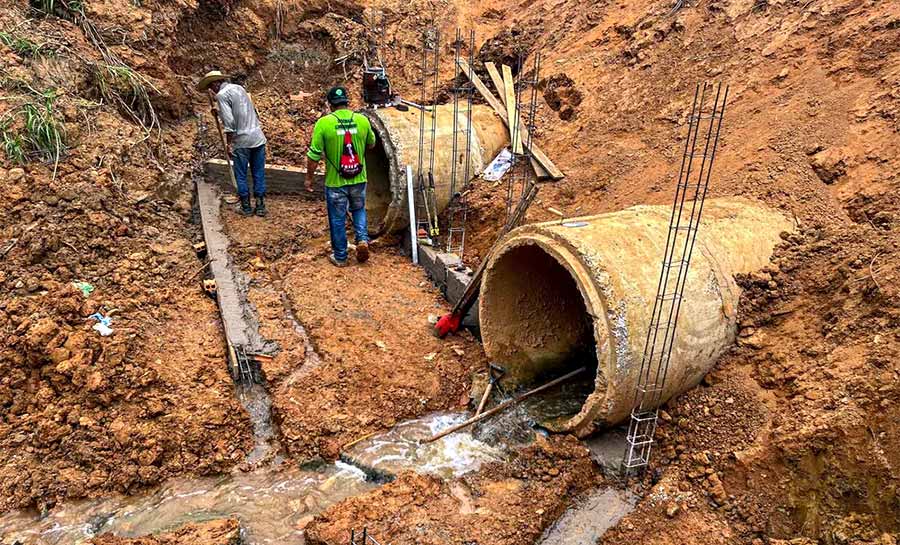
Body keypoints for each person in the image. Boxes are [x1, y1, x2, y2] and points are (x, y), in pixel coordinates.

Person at [305, 86, 376, 267]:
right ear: (347, 101)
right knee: (358, 210)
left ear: (330, 105)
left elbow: (313, 155)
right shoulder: (362, 120)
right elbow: (372, 144)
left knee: (337, 218)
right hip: (359, 179)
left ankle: (341, 257)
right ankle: (362, 239)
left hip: (335, 182)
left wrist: (309, 178)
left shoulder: (324, 123)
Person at [197, 70, 268, 217]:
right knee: (258, 173)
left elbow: (230, 124)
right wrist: (219, 112)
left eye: (211, 87)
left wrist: (229, 144)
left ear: (216, 84)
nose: (211, 91)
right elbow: (242, 110)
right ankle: (260, 206)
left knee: (240, 175)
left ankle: (246, 207)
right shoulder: (239, 88)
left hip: (242, 141)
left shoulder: (221, 95)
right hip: (258, 137)